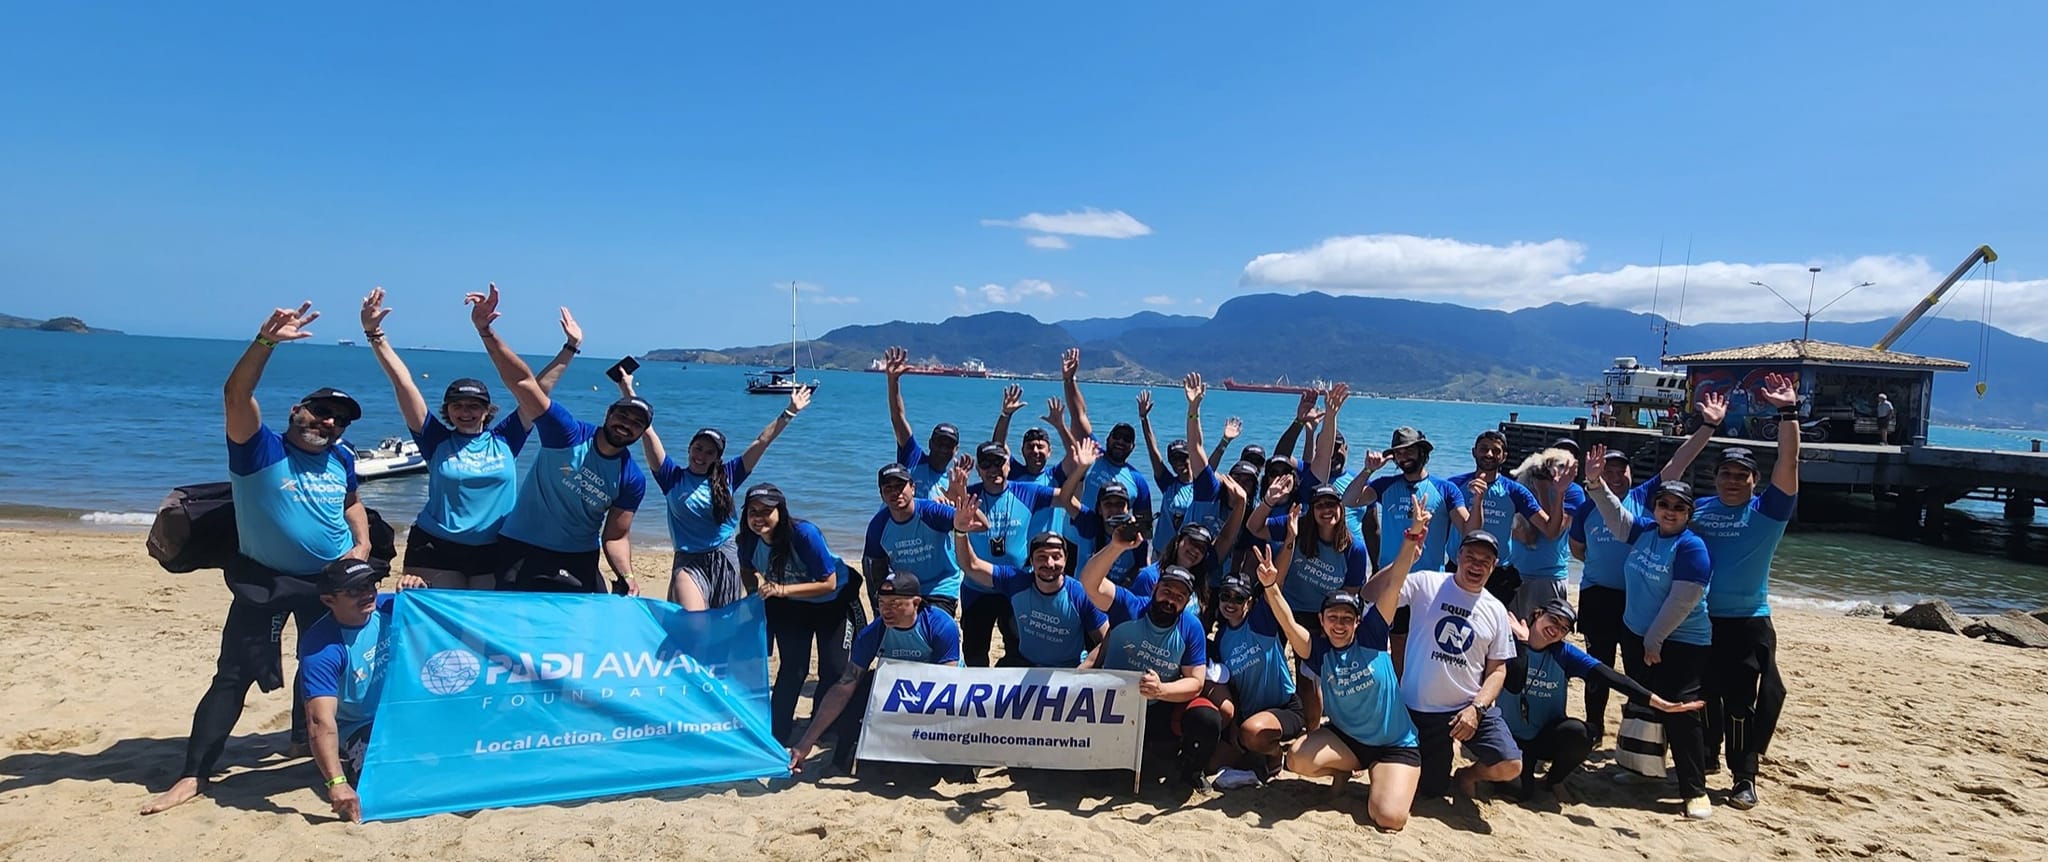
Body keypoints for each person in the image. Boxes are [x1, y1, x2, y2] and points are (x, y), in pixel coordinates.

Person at [143, 301, 390, 816]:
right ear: (295, 412)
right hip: (267, 581)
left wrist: (361, 543)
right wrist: (266, 342)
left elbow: (351, 503)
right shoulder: (259, 450)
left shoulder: (342, 457)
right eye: (320, 411)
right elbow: (236, 393)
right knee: (234, 674)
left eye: (339, 420)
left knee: (322, 666)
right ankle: (193, 774)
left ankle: (304, 741)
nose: (328, 422)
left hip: (330, 582)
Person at [359, 288, 582, 589]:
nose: (466, 412)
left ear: (486, 411)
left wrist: (570, 347)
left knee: (480, 628)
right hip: (435, 547)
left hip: (494, 548)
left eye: (474, 405)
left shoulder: (506, 438)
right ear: (447, 410)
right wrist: (375, 334)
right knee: (436, 627)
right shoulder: (434, 439)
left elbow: (536, 390)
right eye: (458, 405)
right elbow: (403, 383)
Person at [468, 285, 645, 595]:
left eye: (636, 424)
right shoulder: (567, 433)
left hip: (577, 557)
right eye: (622, 416)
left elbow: (615, 536)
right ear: (608, 413)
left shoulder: (631, 478)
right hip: (522, 547)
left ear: (641, 434)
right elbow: (524, 385)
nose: (626, 425)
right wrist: (486, 332)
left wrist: (627, 575)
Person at [1569, 391, 1723, 744]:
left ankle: (1641, 736)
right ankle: (1595, 727)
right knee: (1598, 667)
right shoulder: (1590, 504)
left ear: (1629, 472)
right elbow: (1577, 549)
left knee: (1641, 671)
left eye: (1619, 468)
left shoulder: (1647, 500)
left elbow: (1680, 461)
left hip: (1641, 602)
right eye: (1607, 469)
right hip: (1598, 596)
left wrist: (1708, 426)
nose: (1614, 474)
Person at [1278, 494, 1432, 832]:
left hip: (1394, 745)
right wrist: (1270, 588)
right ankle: (1346, 767)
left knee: (1389, 818)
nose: (1339, 623)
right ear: (1322, 619)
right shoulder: (1319, 651)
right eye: (1332, 617)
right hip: (1348, 739)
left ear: (1357, 622)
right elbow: (1289, 624)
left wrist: (1412, 536)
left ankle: (1384, 775)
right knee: (1297, 759)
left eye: (1347, 618)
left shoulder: (1374, 635)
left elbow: (1394, 583)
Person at [1583, 443, 1716, 820]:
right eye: (1664, 506)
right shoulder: (1645, 531)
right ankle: (1642, 770)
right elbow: (1614, 513)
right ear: (1655, 508)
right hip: (1637, 635)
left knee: (1679, 710)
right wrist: (1594, 483)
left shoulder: (1691, 548)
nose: (1670, 513)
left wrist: (1654, 640)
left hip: (1681, 641)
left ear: (1689, 513)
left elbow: (1682, 601)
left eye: (1678, 508)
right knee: (1644, 703)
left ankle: (1694, 789)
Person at [1695, 373, 1801, 811]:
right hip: (1700, 620)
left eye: (1742, 475)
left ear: (1755, 480)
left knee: (1741, 703)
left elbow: (1789, 464)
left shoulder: (1768, 513)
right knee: (1702, 696)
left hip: (1748, 621)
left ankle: (1744, 774)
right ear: (1715, 477)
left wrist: (1787, 413)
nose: (1732, 481)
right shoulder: (1698, 509)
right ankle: (1705, 756)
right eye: (1725, 474)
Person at [616, 371, 806, 608]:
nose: (701, 456)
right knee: (694, 621)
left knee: (721, 624)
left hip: (724, 557)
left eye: (709, 452)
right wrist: (628, 392)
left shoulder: (729, 476)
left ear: (717, 458)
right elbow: (648, 432)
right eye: (698, 448)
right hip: (688, 560)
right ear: (689, 449)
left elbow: (761, 441)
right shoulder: (671, 477)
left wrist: (790, 412)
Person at [1500, 598, 1705, 803]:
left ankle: (1555, 780)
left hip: (1545, 735)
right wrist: (1524, 644)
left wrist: (1661, 704)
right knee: (1522, 793)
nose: (1555, 629)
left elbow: (1614, 678)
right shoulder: (1508, 642)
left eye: (1563, 628)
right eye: (1553, 620)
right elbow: (1514, 683)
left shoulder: (1564, 653)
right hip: (1510, 737)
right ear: (1537, 615)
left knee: (1581, 733)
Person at [1077, 531, 1217, 789]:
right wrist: (1116, 547)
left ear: (1187, 602)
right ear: (1155, 588)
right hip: (1111, 705)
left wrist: (1162, 689)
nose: (1170, 600)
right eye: (1166, 591)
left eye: (1179, 597)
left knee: (1206, 718)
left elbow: (1195, 682)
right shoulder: (1129, 606)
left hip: (1158, 704)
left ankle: (1191, 770)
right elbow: (1089, 583)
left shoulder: (1191, 627)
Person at [789, 572, 962, 775]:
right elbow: (843, 686)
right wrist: (805, 742)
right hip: (900, 689)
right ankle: (840, 760)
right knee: (854, 690)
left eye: (895, 603)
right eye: (882, 603)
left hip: (939, 691)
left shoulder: (940, 626)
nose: (886, 610)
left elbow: (948, 682)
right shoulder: (874, 632)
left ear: (916, 603)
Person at [1397, 530, 1522, 801]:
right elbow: (1374, 593)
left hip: (1468, 707)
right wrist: (1405, 555)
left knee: (1510, 764)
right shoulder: (1427, 582)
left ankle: (1467, 776)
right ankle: (1444, 757)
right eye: (1470, 557)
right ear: (1457, 557)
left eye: (1484, 560)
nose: (1476, 565)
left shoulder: (1496, 609)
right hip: (1421, 711)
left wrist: (1476, 709)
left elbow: (1498, 670)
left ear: (1494, 565)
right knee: (1430, 791)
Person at [738, 483, 860, 744]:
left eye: (766, 511)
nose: (759, 518)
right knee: (793, 668)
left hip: (834, 602)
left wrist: (782, 589)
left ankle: (824, 724)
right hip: (790, 605)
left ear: (780, 511)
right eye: (752, 511)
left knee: (834, 668)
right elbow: (747, 571)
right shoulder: (748, 539)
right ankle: (777, 732)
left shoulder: (804, 534)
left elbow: (828, 582)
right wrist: (753, 596)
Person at [952, 436, 1086, 666]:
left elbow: (1065, 497)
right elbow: (937, 510)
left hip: (1015, 586)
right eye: (986, 464)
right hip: (977, 587)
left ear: (1008, 464)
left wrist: (1081, 468)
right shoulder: (968, 495)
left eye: (998, 462)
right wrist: (956, 492)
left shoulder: (1028, 492)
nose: (993, 469)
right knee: (974, 652)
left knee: (1018, 651)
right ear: (978, 469)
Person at [296, 559, 399, 823]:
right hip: (359, 725)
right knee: (385, 787)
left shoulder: (390, 607)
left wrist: (422, 590)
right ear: (329, 600)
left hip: (402, 708)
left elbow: (450, 612)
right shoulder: (322, 648)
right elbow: (320, 721)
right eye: (354, 590)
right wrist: (337, 782)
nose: (367, 594)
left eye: (369, 584)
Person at [950, 502, 1110, 668]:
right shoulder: (1017, 582)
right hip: (1024, 664)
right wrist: (961, 531)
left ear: (1066, 559)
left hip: (1065, 670)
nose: (1049, 563)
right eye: (1041, 557)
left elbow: (1106, 639)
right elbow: (971, 566)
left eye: (1056, 556)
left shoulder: (1079, 595)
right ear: (1031, 560)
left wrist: (1084, 668)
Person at [1208, 562, 1308, 790]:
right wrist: (1233, 725)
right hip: (1248, 714)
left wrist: (1289, 541)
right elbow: (1230, 687)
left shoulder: (1260, 620)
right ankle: (1255, 752)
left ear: (1250, 602)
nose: (1231, 603)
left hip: (1284, 707)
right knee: (1212, 764)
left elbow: (1275, 586)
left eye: (1239, 598)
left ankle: (1275, 753)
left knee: (1252, 733)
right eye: (1226, 596)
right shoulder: (1221, 638)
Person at [1057, 347, 1154, 527]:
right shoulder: (1092, 454)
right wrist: (1069, 380)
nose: (1120, 442)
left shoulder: (1137, 480)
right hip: (1075, 540)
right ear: (1108, 439)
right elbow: (1079, 415)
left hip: (1112, 547)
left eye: (1127, 439)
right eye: (1117, 436)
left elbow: (1145, 524)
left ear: (1132, 447)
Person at [1450, 430, 1544, 605]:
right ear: (1474, 452)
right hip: (1457, 568)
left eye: (1496, 451)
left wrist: (1560, 493)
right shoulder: (1453, 486)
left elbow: (1549, 528)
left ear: (1504, 456)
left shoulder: (1514, 491)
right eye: (1484, 449)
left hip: (1497, 573)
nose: (1489, 454)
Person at [862, 464, 963, 616]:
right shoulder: (878, 526)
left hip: (941, 585)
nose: (895, 492)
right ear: (882, 494)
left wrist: (961, 500)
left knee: (933, 627)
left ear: (912, 488)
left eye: (900, 486)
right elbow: (874, 573)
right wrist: (879, 608)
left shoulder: (931, 512)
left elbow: (977, 524)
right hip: (904, 588)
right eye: (888, 488)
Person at [1505, 447, 1580, 622]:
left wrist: (1543, 491)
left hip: (1548, 575)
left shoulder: (1573, 491)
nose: (1556, 471)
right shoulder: (1525, 485)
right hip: (1517, 571)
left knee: (1545, 630)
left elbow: (1553, 531)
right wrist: (1515, 532)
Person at [880, 345, 960, 498]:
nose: (943, 449)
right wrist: (893, 381)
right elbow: (898, 418)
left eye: (948, 445)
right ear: (930, 444)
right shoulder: (913, 458)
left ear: (956, 450)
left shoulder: (952, 483)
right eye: (939, 443)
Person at [990, 384, 1058, 487]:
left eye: (1040, 447)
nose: (1035, 451)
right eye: (1030, 447)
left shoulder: (1056, 475)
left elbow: (1076, 458)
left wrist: (1061, 427)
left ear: (1049, 451)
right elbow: (998, 446)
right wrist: (1006, 414)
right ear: (1022, 450)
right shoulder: (1014, 472)